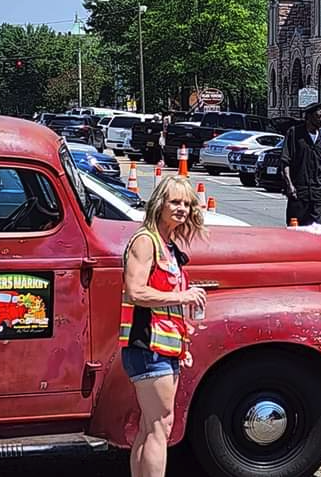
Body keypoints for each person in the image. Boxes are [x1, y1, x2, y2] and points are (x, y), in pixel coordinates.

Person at [120, 176, 207, 477]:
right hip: (148, 347)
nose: (182, 209)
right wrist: (182, 295)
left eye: (186, 203)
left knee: (150, 425)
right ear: (159, 204)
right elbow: (136, 291)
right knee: (161, 426)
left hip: (164, 347)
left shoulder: (168, 245)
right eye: (175, 202)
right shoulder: (146, 241)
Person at [281, 103, 321, 225]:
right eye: (318, 116)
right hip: (298, 190)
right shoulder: (294, 133)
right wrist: (290, 186)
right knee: (296, 227)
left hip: (316, 191)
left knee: (316, 228)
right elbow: (285, 162)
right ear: (308, 117)